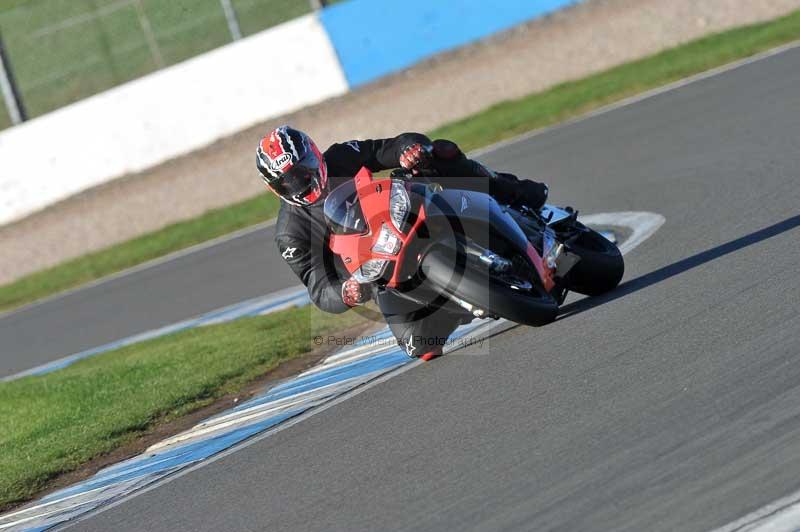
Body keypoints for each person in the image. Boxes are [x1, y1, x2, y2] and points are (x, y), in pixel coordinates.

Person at [256, 126, 548, 360]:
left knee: (439, 153)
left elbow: (390, 147)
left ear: (314, 154)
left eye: (305, 167)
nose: (305, 180)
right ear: (275, 188)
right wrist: (346, 291)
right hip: (382, 271)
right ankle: (462, 298)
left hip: (405, 213)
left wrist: (409, 150)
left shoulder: (341, 156)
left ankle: (513, 192)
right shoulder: (290, 234)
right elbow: (318, 285)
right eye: (291, 181)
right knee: (420, 346)